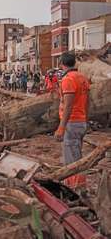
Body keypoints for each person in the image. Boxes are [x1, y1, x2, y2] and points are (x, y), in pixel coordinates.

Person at [54, 52, 90, 190]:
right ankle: (77, 186)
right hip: (80, 122)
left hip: (72, 123)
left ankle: (77, 189)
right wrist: (85, 119)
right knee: (77, 155)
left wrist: (61, 127)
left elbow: (68, 105)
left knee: (72, 160)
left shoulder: (69, 79)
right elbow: (88, 102)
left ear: (62, 64)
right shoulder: (83, 78)